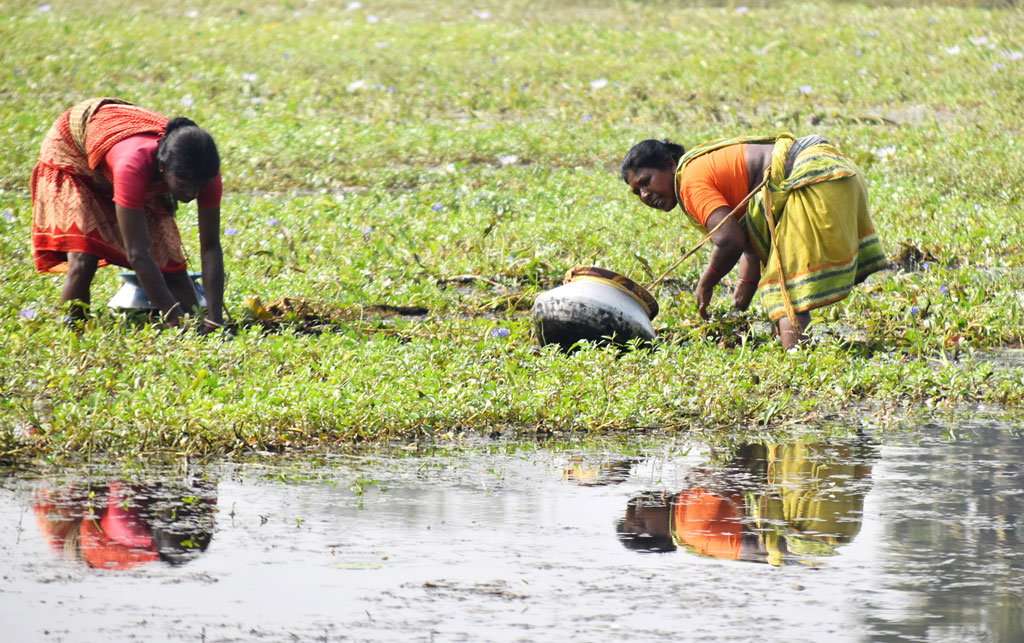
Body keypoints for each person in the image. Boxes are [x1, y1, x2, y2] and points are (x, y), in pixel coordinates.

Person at [620, 133, 887, 349]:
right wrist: (739, 303)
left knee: (784, 288)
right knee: (778, 275)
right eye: (636, 192)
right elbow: (751, 241)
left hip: (812, 180)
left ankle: (798, 365)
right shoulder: (696, 169)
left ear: (669, 165)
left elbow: (729, 240)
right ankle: (795, 347)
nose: (644, 195)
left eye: (646, 182)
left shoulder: (688, 181)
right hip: (834, 171)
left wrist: (706, 283)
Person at [31, 97, 225, 330]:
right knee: (83, 258)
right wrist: (172, 314)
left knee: (170, 263)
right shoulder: (132, 165)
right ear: (163, 168)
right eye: (184, 186)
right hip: (74, 154)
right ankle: (73, 330)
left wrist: (215, 318)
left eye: (199, 186)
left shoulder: (205, 173)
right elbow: (137, 253)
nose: (193, 193)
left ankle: (196, 324)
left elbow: (211, 246)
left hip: (127, 162)